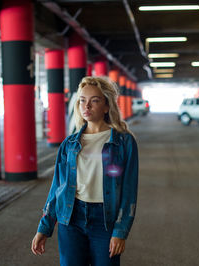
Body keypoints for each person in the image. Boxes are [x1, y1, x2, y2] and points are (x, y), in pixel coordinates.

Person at [31, 76, 139, 266]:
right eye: (82, 100)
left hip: (105, 220)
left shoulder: (124, 142)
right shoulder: (69, 144)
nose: (86, 106)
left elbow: (129, 192)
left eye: (94, 101)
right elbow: (58, 187)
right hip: (71, 218)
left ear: (107, 106)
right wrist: (44, 227)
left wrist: (121, 231)